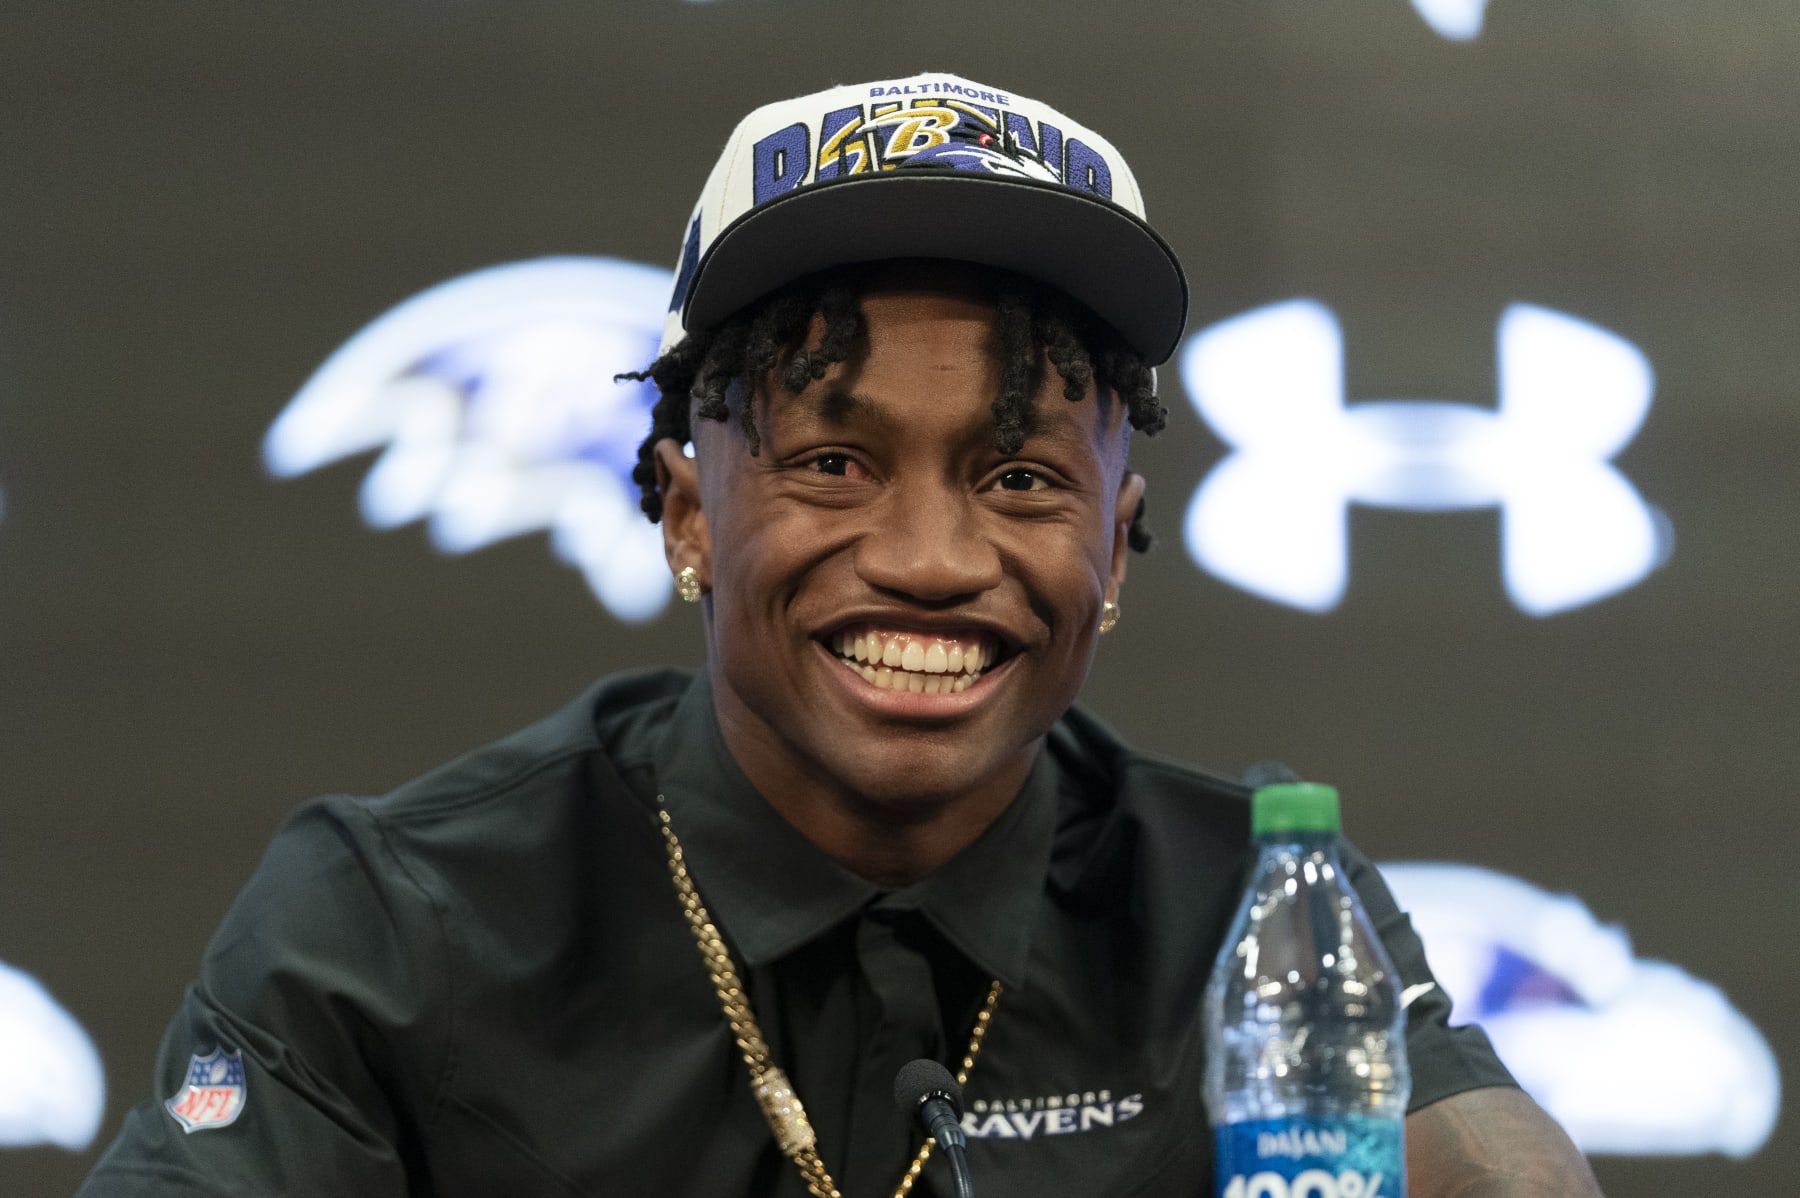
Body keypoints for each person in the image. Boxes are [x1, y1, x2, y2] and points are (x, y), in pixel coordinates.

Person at [78, 73, 1603, 1197]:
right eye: (832, 463)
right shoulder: (393, 925)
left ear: (1120, 542)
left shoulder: (1252, 907)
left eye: (1017, 477)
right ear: (685, 511)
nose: (933, 558)